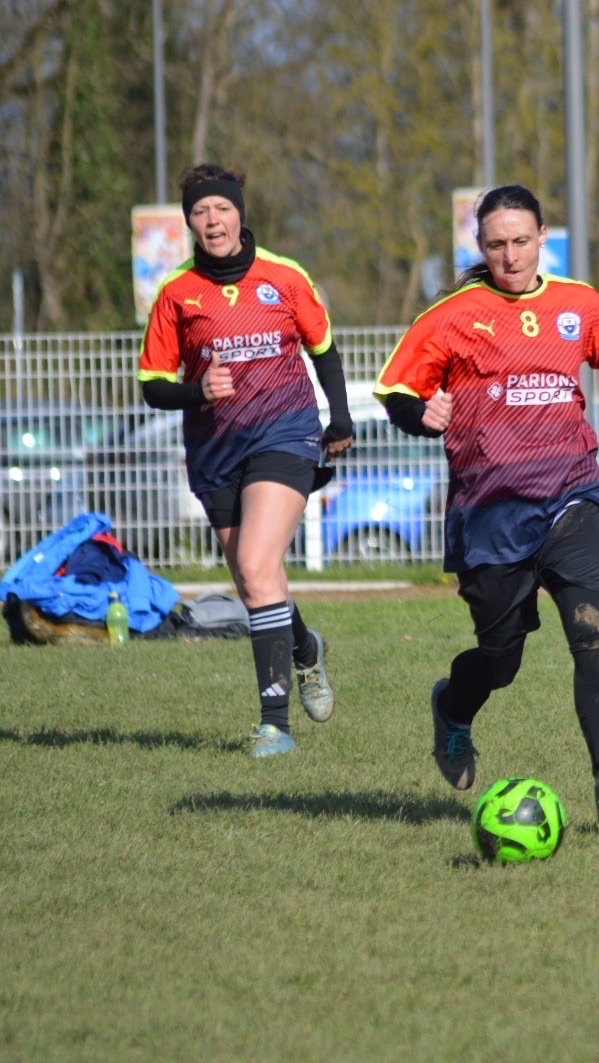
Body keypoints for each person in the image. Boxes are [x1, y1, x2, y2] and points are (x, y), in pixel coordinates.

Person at [374, 184, 599, 831]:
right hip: (490, 513)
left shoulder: (579, 303)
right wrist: (422, 415)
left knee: (590, 629)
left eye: (520, 241)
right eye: (496, 244)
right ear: (480, 247)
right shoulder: (452, 314)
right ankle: (453, 707)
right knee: (500, 660)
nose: (510, 256)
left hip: (573, 494)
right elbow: (396, 389)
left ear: (542, 239)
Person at [138, 163, 352, 759]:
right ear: (189, 223)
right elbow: (153, 385)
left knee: (257, 567)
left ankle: (274, 726)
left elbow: (324, 349)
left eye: (222, 209)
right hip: (214, 452)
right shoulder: (176, 292)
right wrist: (197, 390)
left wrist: (339, 418)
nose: (213, 220)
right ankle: (306, 648)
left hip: (285, 436)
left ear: (239, 214)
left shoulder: (284, 276)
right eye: (200, 211)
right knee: (255, 579)